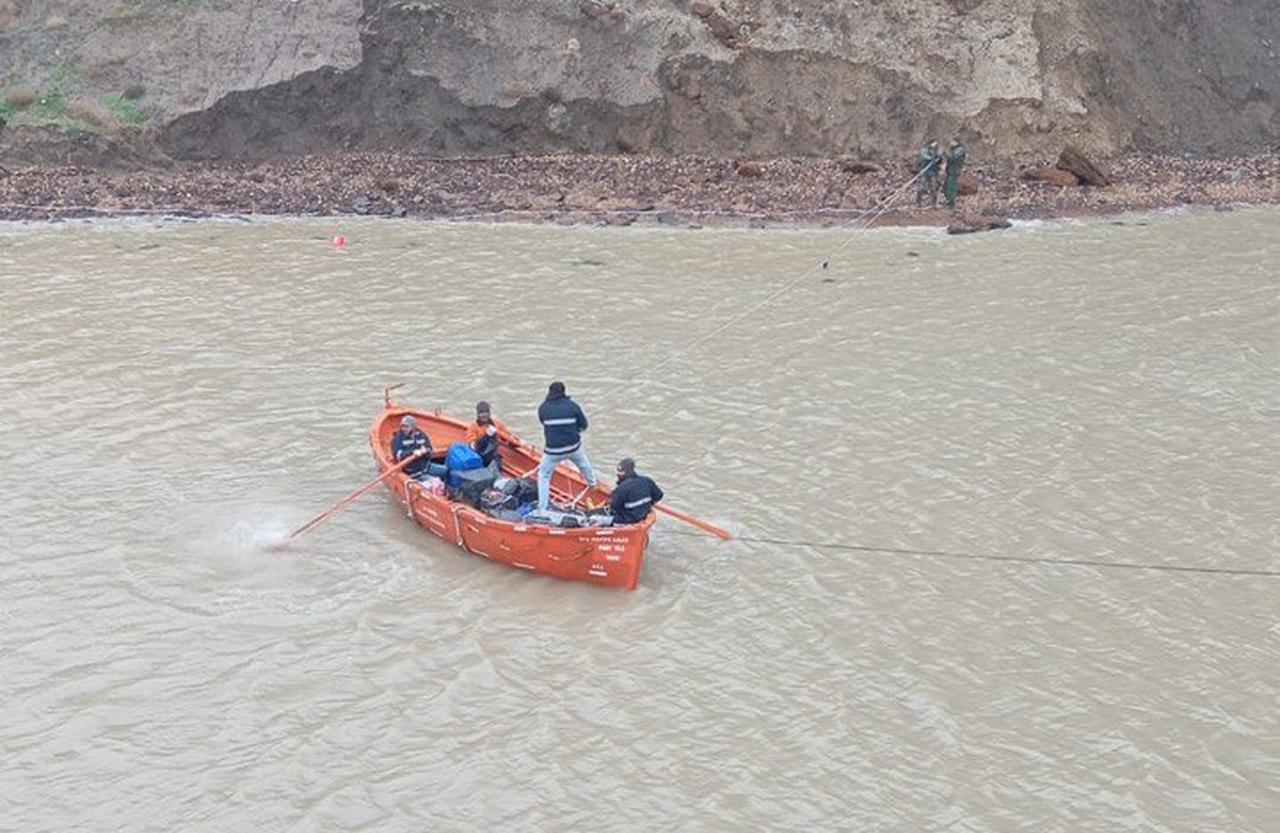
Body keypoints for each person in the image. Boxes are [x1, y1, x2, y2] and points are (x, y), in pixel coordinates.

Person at [536, 381, 597, 510]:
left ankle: (543, 507)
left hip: (553, 451)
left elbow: (543, 423)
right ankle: (593, 484)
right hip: (573, 447)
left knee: (544, 475)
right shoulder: (573, 406)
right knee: (583, 463)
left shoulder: (543, 408)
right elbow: (584, 425)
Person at [609, 458, 663, 525]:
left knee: (595, 518)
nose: (618, 474)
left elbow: (614, 507)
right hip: (644, 515)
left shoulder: (621, 488)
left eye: (620, 472)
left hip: (626, 520)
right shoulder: (647, 481)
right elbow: (659, 496)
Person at [390, 415, 445, 480]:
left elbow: (430, 450)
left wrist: (425, 451)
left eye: (406, 426)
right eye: (402, 426)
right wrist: (413, 453)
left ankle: (451, 489)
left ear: (413, 427)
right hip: (413, 473)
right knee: (433, 481)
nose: (403, 429)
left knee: (446, 470)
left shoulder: (421, 435)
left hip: (426, 467)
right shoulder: (397, 438)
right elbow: (397, 455)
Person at [464, 401, 510, 467]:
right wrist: (486, 436)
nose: (484, 415)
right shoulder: (473, 428)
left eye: (486, 412)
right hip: (479, 456)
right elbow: (472, 445)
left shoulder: (497, 424)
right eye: (481, 413)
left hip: (493, 456)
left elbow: (507, 436)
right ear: (477, 414)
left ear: (489, 413)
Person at [916, 139, 942, 208]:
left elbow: (939, 161)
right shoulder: (924, 150)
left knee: (934, 187)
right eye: (934, 144)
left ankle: (934, 204)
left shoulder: (936, 151)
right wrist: (931, 159)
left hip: (933, 172)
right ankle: (919, 203)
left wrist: (939, 159)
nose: (935, 145)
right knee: (921, 187)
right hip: (925, 171)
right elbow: (924, 157)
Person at [943, 136, 967, 209]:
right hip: (950, 170)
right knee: (946, 186)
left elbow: (952, 157)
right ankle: (947, 200)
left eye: (953, 141)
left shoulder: (960, 150)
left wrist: (946, 153)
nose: (951, 143)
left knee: (951, 187)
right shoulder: (953, 149)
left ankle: (951, 203)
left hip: (954, 171)